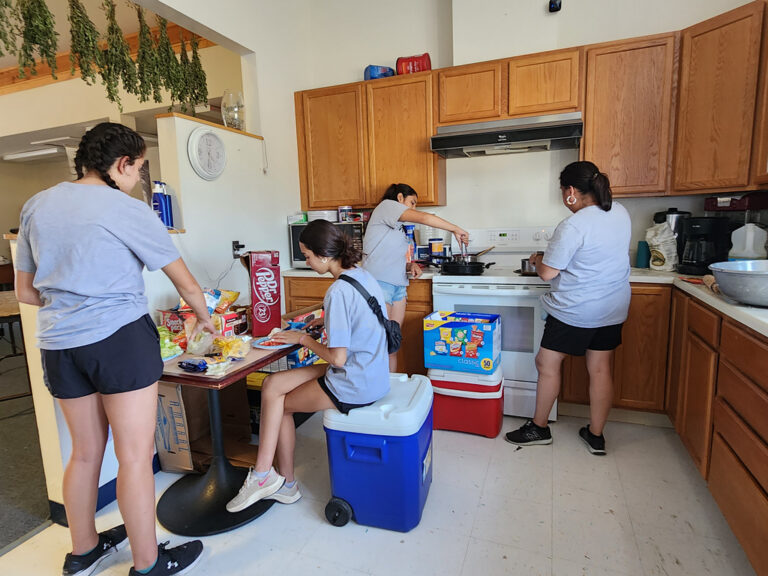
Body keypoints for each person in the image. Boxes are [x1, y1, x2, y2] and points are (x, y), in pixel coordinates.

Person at [13, 122, 214, 576]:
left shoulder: (36, 206)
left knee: (85, 453)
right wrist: (204, 318)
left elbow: (26, 292)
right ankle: (149, 564)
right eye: (139, 168)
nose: (139, 179)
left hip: (60, 345)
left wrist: (74, 301)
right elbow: (184, 282)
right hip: (119, 340)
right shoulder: (127, 209)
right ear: (122, 164)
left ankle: (83, 551)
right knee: (134, 457)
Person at [226, 219, 390, 512]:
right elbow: (362, 318)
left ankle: (271, 478)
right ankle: (279, 482)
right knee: (272, 384)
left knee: (282, 404)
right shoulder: (362, 275)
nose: (307, 260)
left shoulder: (337, 292)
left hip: (353, 379)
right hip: (371, 371)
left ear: (325, 255)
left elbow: (338, 358)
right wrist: (325, 319)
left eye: (308, 255)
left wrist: (303, 338)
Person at [504, 161, 631, 456]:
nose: (564, 197)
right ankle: (596, 435)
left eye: (563, 191)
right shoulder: (620, 212)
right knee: (600, 368)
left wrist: (537, 259)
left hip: (578, 310)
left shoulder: (574, 224)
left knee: (546, 364)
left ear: (571, 191)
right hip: (613, 306)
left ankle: (539, 428)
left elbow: (548, 273)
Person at [363, 183, 469, 370]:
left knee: (392, 345)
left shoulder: (397, 226)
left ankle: (390, 389)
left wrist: (409, 264)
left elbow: (385, 255)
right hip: (379, 284)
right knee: (379, 345)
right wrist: (455, 229)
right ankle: (375, 393)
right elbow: (425, 218)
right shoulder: (387, 206)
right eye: (412, 203)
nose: (414, 209)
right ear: (400, 198)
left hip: (397, 287)